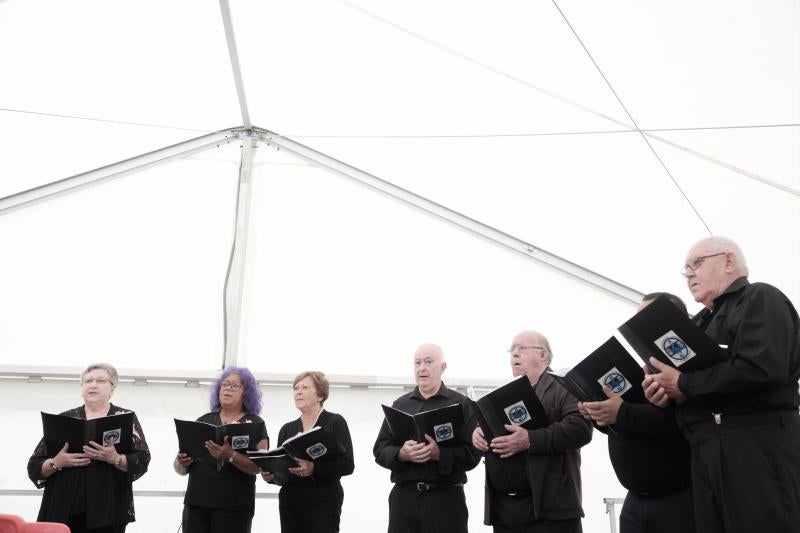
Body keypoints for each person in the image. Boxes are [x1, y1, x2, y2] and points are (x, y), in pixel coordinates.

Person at [644, 236, 800, 533]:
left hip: (754, 443)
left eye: (696, 264)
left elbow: (761, 367)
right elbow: (688, 388)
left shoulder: (759, 298)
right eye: (685, 269)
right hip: (705, 447)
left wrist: (684, 383)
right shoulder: (699, 322)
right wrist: (663, 394)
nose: (688, 273)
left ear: (728, 261)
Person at [578, 293, 695, 533]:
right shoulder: (639, 371)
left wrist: (622, 412)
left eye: (646, 317)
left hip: (679, 498)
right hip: (635, 500)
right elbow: (627, 420)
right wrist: (600, 414)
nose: (637, 326)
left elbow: (681, 423)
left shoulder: (690, 369)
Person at [472, 331, 592, 533]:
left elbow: (579, 429)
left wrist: (530, 439)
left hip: (550, 509)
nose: (514, 354)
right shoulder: (503, 393)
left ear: (543, 355)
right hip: (505, 510)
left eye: (521, 348)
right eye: (512, 350)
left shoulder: (564, 385)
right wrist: (478, 433)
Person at [27, 363, 150, 533]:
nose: (93, 385)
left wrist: (116, 458)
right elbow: (34, 467)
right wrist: (56, 462)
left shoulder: (124, 418)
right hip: (63, 509)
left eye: (100, 380)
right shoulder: (64, 419)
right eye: (88, 381)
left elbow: (142, 461)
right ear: (82, 387)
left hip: (108, 511)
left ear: (112, 388)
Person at [373, 343, 481, 533]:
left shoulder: (461, 404)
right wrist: (401, 454)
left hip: (445, 501)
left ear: (443, 367)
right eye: (417, 362)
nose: (422, 368)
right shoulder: (400, 405)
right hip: (404, 501)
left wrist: (440, 454)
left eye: (428, 362)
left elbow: (473, 454)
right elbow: (380, 450)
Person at [174, 366, 269, 533]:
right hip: (196, 505)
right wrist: (181, 462)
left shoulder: (255, 424)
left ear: (246, 392)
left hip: (234, 507)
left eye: (234, 385)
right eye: (225, 384)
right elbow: (179, 469)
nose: (227, 389)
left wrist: (230, 455)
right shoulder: (202, 421)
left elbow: (259, 467)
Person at [261, 371, 355, 532]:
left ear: (320, 396)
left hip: (324, 500)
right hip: (291, 501)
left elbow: (347, 465)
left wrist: (314, 468)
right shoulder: (286, 429)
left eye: (305, 387)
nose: (298, 391)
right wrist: (271, 476)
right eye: (296, 388)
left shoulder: (334, 422)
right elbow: (282, 470)